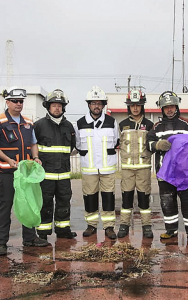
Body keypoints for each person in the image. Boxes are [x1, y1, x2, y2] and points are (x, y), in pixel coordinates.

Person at [0, 87, 49, 256]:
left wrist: (35, 157)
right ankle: (1, 243)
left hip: (25, 173)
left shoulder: (28, 122)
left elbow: (33, 143)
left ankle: (29, 238)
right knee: (4, 208)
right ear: (7, 102)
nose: (19, 104)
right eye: (15, 101)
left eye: (21, 101)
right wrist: (7, 159)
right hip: (7, 173)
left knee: (28, 205)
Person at [147, 91, 188, 244]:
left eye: (172, 106)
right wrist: (157, 145)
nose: (169, 110)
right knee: (167, 202)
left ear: (177, 107)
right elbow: (148, 144)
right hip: (165, 173)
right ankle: (171, 230)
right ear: (162, 109)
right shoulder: (156, 127)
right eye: (166, 107)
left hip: (184, 174)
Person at [75, 86, 120, 239]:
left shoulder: (111, 122)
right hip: (89, 169)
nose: (96, 106)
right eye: (93, 103)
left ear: (103, 105)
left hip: (107, 169)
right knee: (90, 197)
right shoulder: (80, 123)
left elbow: (115, 141)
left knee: (108, 198)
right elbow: (77, 144)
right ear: (89, 104)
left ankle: (109, 227)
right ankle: (91, 225)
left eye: (99, 103)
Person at [35, 89, 77, 240]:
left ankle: (63, 229)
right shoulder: (39, 126)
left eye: (60, 105)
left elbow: (71, 146)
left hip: (64, 175)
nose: (57, 108)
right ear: (48, 107)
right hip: (45, 175)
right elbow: (33, 147)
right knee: (45, 204)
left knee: (64, 202)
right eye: (54, 105)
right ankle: (43, 233)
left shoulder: (69, 127)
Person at [118, 89, 154, 239]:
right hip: (127, 169)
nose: (135, 108)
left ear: (142, 105)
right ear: (128, 106)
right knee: (126, 198)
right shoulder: (122, 125)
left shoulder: (150, 124)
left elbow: (152, 145)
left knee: (144, 198)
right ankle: (124, 225)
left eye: (138, 105)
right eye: (132, 105)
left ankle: (146, 225)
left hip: (143, 168)